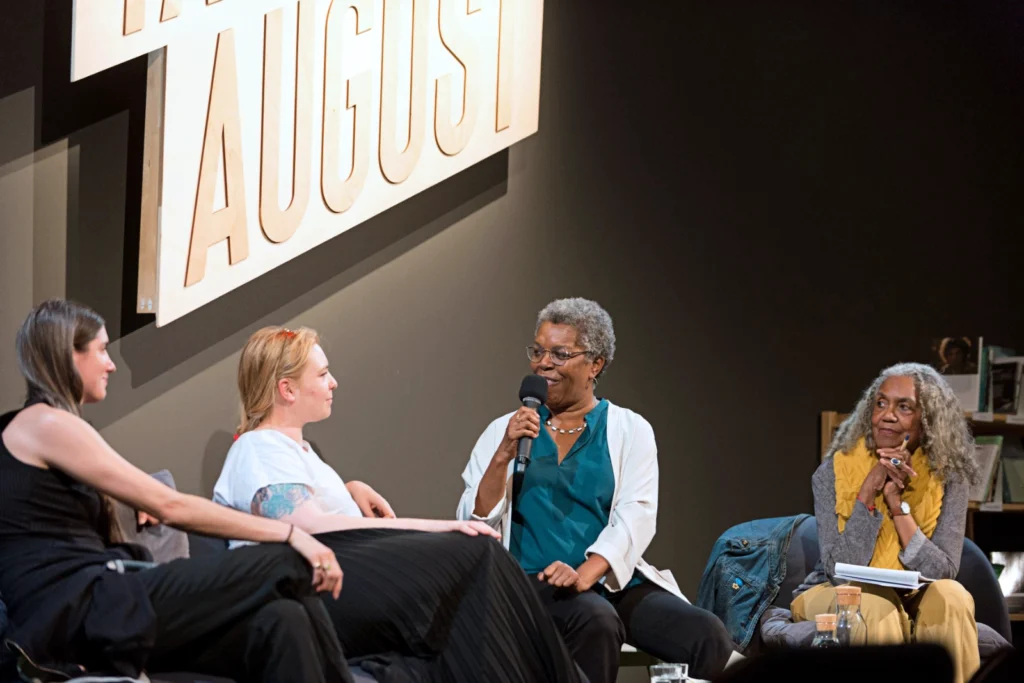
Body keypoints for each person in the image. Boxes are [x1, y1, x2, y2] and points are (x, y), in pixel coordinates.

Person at [0, 299, 350, 683]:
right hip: (80, 607)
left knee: (282, 620)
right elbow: (170, 505)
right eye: (101, 350)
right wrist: (292, 533)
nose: (111, 364)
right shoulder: (44, 422)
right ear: (69, 354)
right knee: (290, 561)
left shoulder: (45, 430)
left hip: (100, 602)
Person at [213, 326, 584, 683]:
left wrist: (348, 488)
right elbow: (307, 527)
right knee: (478, 552)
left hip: (339, 577)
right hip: (313, 585)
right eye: (323, 374)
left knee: (471, 607)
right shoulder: (257, 446)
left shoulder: (295, 452)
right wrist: (434, 527)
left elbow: (304, 502)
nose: (333, 382)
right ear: (287, 389)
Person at [457, 298, 737, 683]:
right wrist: (504, 455)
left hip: (609, 580)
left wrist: (587, 573)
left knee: (706, 635)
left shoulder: (629, 429)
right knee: (595, 620)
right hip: (532, 584)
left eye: (560, 353)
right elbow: (474, 519)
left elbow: (636, 514)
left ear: (596, 364)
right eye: (538, 351)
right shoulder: (505, 430)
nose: (543, 364)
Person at [793, 363, 981, 683]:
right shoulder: (832, 473)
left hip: (915, 594)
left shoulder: (950, 478)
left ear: (928, 420)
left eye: (904, 407)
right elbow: (840, 567)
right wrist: (869, 490)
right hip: (839, 593)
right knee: (876, 606)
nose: (887, 415)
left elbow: (943, 571)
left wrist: (896, 504)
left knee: (953, 596)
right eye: (881, 403)